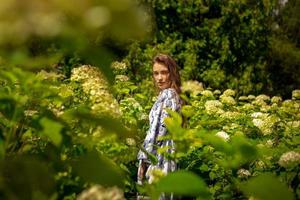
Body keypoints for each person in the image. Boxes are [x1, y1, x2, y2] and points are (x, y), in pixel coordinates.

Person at [137, 53, 182, 199]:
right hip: (170, 156)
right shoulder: (174, 95)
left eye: (164, 72)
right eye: (156, 73)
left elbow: (157, 131)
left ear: (172, 73)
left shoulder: (168, 95)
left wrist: (144, 160)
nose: (159, 78)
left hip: (159, 158)